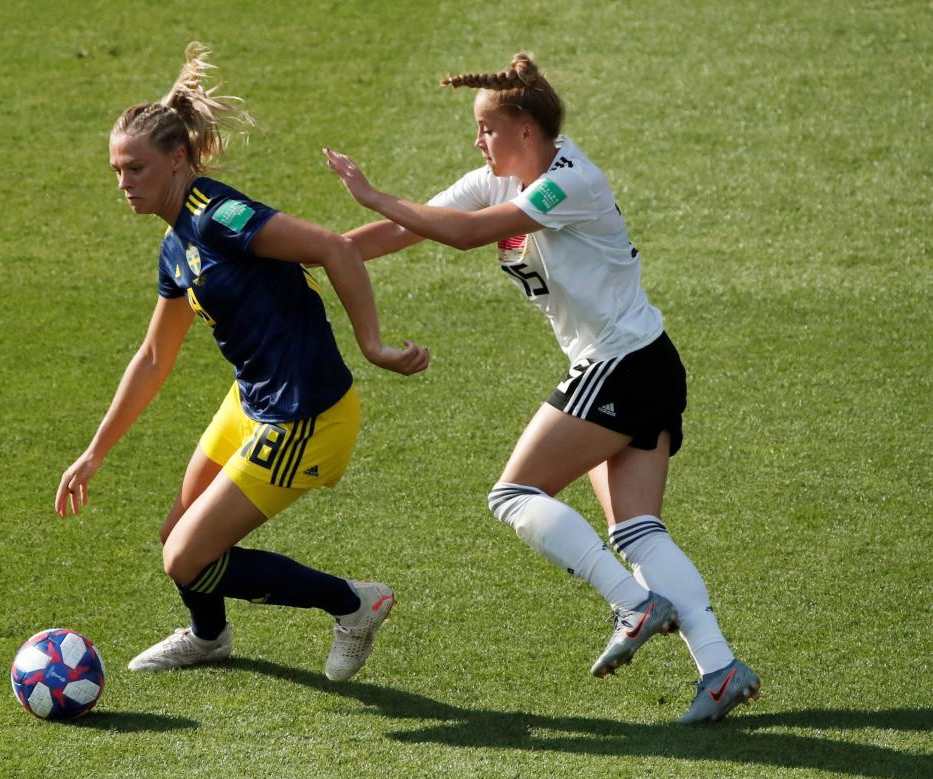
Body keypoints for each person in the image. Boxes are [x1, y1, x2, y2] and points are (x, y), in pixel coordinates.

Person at [324, 52, 759, 722]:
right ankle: (720, 666)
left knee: (514, 493)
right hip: (641, 362)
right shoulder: (495, 179)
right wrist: (309, 253)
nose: (478, 142)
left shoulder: (568, 181)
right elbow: (400, 230)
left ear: (526, 129)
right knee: (639, 529)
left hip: (622, 363)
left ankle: (635, 604)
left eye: (487, 129)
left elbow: (467, 237)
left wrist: (374, 191)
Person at [55, 43, 429, 683]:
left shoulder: (221, 217)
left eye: (136, 169)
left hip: (304, 416)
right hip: (252, 401)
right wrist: (95, 452)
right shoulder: (176, 246)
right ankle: (209, 636)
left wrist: (374, 345)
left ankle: (355, 604)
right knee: (179, 531)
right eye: (117, 171)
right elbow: (152, 357)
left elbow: (335, 248)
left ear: (178, 160)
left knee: (186, 558)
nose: (124, 184)